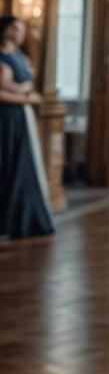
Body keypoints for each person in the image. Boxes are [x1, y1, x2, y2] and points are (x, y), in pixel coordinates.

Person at [0, 15, 55, 239]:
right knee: (7, 163)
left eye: (21, 29)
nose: (18, 33)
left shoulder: (21, 57)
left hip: (22, 118)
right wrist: (25, 97)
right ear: (4, 30)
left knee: (23, 166)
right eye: (14, 28)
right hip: (5, 119)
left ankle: (21, 220)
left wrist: (24, 92)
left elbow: (27, 83)